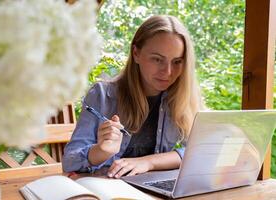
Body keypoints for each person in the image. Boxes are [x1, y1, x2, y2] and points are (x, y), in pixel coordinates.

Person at [62, 15, 202, 178]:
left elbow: (200, 151)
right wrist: (101, 151)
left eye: (177, 61)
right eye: (157, 59)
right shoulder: (103, 95)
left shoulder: (180, 97)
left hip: (152, 190)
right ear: (136, 53)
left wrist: (149, 162)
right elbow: (70, 162)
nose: (168, 72)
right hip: (107, 188)